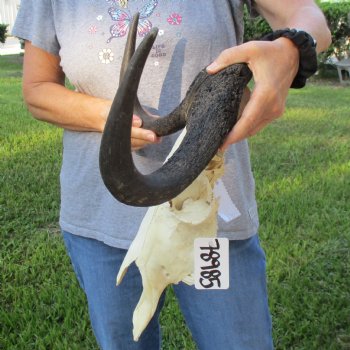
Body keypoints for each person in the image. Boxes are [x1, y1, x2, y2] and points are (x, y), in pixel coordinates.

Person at [13, 1, 331, 349]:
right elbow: (37, 89)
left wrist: (290, 48)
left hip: (208, 221)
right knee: (126, 341)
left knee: (236, 341)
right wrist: (110, 118)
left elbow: (306, 16)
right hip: (101, 221)